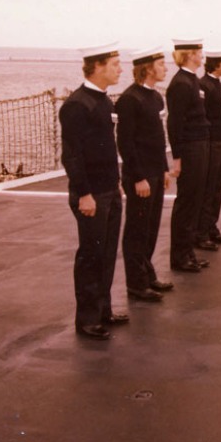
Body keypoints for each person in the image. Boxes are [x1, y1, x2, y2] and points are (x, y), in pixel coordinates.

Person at [59, 42, 126, 341]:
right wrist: (84, 194)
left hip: (109, 190)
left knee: (107, 253)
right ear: (97, 67)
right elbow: (72, 155)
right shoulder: (77, 105)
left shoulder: (104, 101)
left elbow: (107, 150)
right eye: (115, 65)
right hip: (91, 195)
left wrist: (116, 182)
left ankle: (103, 310)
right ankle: (87, 320)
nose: (120, 69)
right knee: (91, 255)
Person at [115, 46, 174, 303]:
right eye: (161, 64)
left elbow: (158, 139)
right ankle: (136, 284)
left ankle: (147, 274)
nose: (165, 68)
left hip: (155, 172)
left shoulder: (156, 98)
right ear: (148, 68)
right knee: (137, 229)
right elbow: (125, 143)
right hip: (139, 175)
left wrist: (164, 169)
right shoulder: (130, 99)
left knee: (150, 227)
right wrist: (138, 177)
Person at [166, 38, 211, 273]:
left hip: (199, 144)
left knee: (195, 199)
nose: (202, 56)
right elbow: (174, 123)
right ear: (190, 54)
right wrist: (177, 157)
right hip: (190, 147)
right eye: (199, 52)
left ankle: (188, 252)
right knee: (187, 201)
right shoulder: (181, 83)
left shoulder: (192, 80)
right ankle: (179, 256)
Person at [196, 50, 221, 250]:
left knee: (218, 186)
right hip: (211, 142)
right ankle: (201, 232)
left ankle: (212, 227)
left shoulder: (218, 85)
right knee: (208, 188)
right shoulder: (204, 85)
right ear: (216, 64)